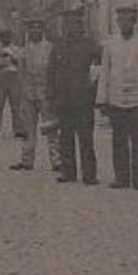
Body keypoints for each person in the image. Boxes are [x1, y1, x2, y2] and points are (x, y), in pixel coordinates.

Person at [96, 6, 138, 191]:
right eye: (122, 20)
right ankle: (122, 177)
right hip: (116, 100)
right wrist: (102, 99)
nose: (125, 24)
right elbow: (105, 73)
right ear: (117, 22)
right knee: (118, 141)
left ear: (134, 21)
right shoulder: (110, 45)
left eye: (129, 20)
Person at [46, 10, 100, 185]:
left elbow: (103, 67)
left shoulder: (90, 46)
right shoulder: (58, 47)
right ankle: (68, 173)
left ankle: (89, 175)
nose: (72, 28)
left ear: (81, 26)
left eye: (76, 24)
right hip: (63, 100)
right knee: (65, 138)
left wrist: (95, 86)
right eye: (68, 24)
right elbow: (51, 73)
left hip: (84, 100)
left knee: (86, 139)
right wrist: (50, 98)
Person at [10, 18, 52, 170]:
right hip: (28, 94)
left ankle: (57, 160)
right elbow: (20, 74)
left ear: (43, 30)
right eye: (32, 28)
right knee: (28, 129)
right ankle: (27, 160)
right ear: (28, 31)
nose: (35, 30)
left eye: (38, 27)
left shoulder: (50, 49)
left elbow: (53, 73)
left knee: (51, 127)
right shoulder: (23, 51)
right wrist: (23, 93)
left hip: (46, 94)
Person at [0, 31, 23, 139]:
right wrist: (9, 60)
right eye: (3, 37)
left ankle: (18, 129)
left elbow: (20, 62)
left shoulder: (16, 49)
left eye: (8, 37)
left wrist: (11, 56)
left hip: (14, 79)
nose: (6, 39)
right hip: (0, 79)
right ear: (0, 38)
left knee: (16, 106)